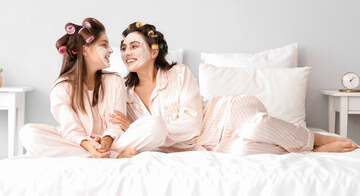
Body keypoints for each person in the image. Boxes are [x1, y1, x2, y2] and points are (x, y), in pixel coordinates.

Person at [109, 21, 358, 155]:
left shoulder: (178, 73)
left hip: (227, 112)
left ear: (153, 51)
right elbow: (128, 135)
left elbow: (192, 123)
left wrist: (149, 131)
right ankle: (307, 149)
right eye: (123, 48)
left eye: (133, 46)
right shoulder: (125, 93)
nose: (126, 52)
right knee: (242, 149)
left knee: (256, 125)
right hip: (211, 145)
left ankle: (314, 139)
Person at [20, 18, 166, 158]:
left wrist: (107, 140)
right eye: (104, 45)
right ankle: (114, 156)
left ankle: (102, 154)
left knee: (156, 125)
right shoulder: (61, 87)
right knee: (28, 133)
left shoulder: (115, 81)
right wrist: (89, 145)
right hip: (78, 143)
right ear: (84, 51)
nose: (111, 50)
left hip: (113, 143)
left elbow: (115, 126)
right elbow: (71, 131)